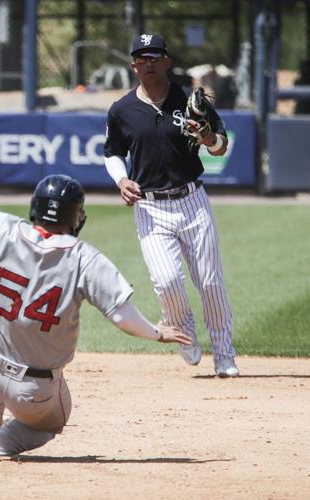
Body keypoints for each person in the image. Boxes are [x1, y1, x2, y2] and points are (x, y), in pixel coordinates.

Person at [0, 171, 191, 459]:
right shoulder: (84, 257)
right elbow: (121, 316)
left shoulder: (0, 227)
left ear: (35, 208)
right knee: (52, 422)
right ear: (77, 218)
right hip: (34, 390)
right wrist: (158, 332)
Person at [103, 33, 239, 377]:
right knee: (165, 281)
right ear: (133, 65)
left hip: (192, 200)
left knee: (210, 282)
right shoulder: (121, 110)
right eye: (141, 57)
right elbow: (113, 153)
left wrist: (208, 136)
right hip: (150, 208)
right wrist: (121, 180)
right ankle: (184, 329)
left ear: (167, 61)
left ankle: (224, 354)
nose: (148, 63)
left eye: (154, 56)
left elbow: (221, 145)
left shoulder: (189, 99)